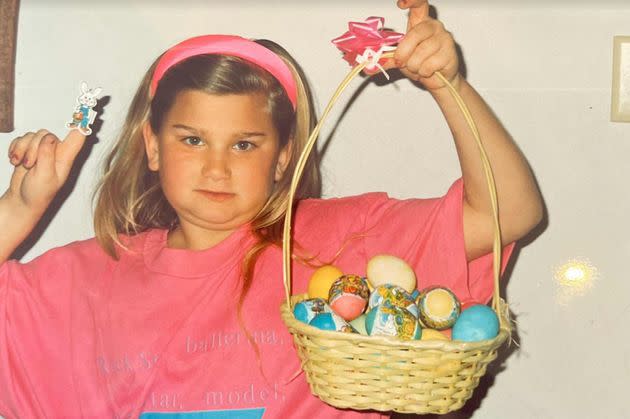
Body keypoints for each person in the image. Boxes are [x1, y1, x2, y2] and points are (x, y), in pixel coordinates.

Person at [0, 0, 543, 417]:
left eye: (243, 144)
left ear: (283, 157)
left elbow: (509, 213)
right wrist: (18, 211)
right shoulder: (88, 277)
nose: (217, 168)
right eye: (192, 140)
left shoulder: (340, 239)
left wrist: (444, 84)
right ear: (151, 146)